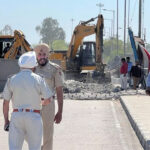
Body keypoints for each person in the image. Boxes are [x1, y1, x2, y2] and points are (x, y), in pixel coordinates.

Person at [3, 51, 53, 150]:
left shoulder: (12, 79)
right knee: (35, 147)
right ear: (33, 66)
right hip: (34, 116)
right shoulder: (39, 79)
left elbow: (5, 103)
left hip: (17, 116)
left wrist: (6, 121)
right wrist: (41, 103)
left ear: (21, 65)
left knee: (14, 148)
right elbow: (48, 99)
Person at [34, 43, 63, 150]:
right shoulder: (32, 68)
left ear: (48, 55)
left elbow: (59, 91)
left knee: (48, 133)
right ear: (36, 56)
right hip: (34, 104)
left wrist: (60, 111)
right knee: (31, 132)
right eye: (39, 54)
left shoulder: (55, 69)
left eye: (44, 54)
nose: (42, 56)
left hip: (48, 105)